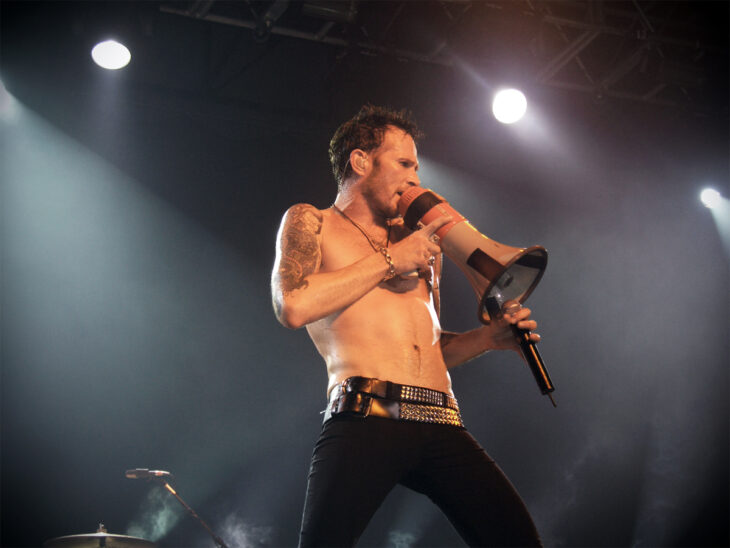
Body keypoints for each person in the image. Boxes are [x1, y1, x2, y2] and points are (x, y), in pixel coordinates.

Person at [271, 105, 543, 547]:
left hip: (442, 419)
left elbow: (429, 349)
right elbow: (293, 306)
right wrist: (391, 260)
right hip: (366, 415)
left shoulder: (419, 244)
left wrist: (489, 338)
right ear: (361, 161)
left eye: (416, 166)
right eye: (403, 163)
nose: (415, 178)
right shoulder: (312, 221)